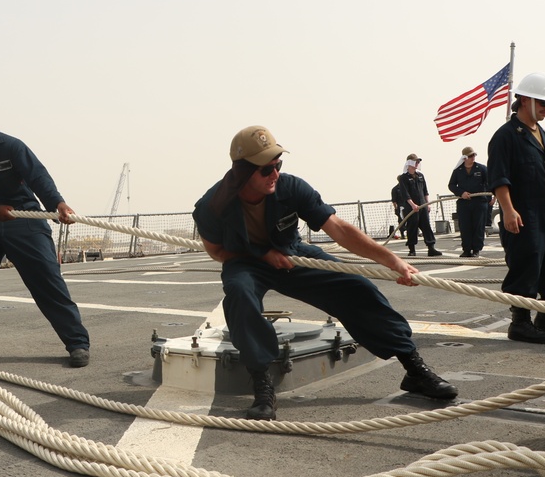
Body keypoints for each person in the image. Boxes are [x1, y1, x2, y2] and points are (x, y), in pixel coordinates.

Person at [193, 126, 458, 420]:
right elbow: (218, 252)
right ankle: (261, 382)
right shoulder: (212, 206)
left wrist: (392, 260)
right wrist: (262, 254)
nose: (275, 174)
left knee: (357, 288)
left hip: (292, 253)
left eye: (277, 165)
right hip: (245, 261)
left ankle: (413, 369)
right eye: (266, 169)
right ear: (243, 172)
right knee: (239, 295)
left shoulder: (291, 188)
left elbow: (339, 230)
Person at [0, 103, 91, 368]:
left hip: (23, 218)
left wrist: (57, 203)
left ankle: (77, 342)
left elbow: (38, 178)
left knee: (46, 278)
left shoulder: (12, 147)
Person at [487, 71, 545, 343]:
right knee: (526, 261)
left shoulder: (544, 134)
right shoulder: (506, 136)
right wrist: (507, 209)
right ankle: (520, 322)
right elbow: (499, 176)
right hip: (524, 209)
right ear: (525, 100)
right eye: (543, 103)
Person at [447, 146, 492, 258]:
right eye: (470, 156)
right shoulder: (458, 171)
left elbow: (490, 182)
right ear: (465, 158)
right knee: (465, 227)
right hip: (464, 203)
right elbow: (451, 185)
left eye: (474, 155)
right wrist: (461, 193)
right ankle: (466, 249)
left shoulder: (482, 169)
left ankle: (476, 249)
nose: (473, 158)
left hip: (480, 202)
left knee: (478, 226)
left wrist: (491, 197)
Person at [398, 155, 443, 257]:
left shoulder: (420, 176)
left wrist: (427, 203)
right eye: (415, 162)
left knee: (426, 226)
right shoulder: (404, 178)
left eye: (418, 162)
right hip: (411, 208)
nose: (417, 164)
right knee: (412, 227)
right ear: (409, 163)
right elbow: (405, 194)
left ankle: (431, 247)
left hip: (422, 205)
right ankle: (412, 249)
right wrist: (413, 205)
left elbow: (425, 191)